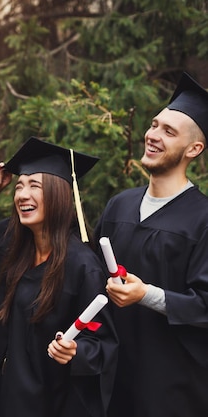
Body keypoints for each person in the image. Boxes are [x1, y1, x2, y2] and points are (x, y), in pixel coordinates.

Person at [0, 137, 118, 417]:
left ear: (58, 194)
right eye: (19, 186)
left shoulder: (83, 267)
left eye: (35, 186)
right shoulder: (11, 241)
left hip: (42, 402)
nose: (22, 195)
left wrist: (76, 351)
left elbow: (100, 341)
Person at [95, 72, 208, 417]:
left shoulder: (203, 218)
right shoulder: (120, 206)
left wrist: (146, 295)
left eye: (168, 131)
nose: (153, 135)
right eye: (155, 124)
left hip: (173, 390)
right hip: (112, 380)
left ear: (194, 149)